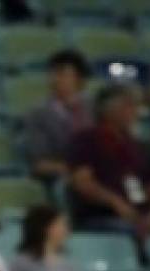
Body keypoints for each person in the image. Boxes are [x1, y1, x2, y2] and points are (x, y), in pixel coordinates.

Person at [68, 85, 150, 239]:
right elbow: (82, 182)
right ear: (111, 110)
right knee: (128, 231)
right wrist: (114, 202)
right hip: (102, 216)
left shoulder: (136, 145)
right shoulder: (87, 140)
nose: (134, 112)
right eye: (129, 106)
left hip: (139, 214)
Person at [24, 50, 93, 186]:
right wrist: (73, 170)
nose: (55, 79)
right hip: (69, 178)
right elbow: (39, 163)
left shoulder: (94, 109)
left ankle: (138, 202)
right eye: (53, 74)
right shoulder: (39, 114)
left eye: (62, 74)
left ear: (79, 80)